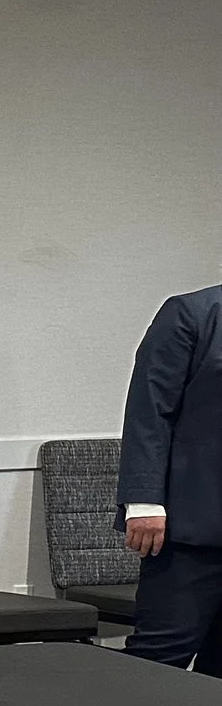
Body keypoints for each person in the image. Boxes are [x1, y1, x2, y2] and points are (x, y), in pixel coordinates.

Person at [119, 282, 222, 672]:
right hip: (189, 530)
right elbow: (149, 411)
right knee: (159, 660)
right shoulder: (191, 314)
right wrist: (143, 501)